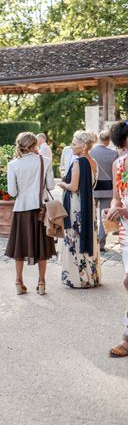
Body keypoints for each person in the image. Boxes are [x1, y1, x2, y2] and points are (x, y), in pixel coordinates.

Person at [5, 132, 56, 295]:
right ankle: (41, 282)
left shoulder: (13, 164)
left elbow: (12, 192)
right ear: (34, 146)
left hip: (21, 210)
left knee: (20, 246)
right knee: (42, 247)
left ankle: (18, 282)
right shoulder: (45, 161)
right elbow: (51, 185)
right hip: (40, 209)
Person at [58, 131, 100, 288]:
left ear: (83, 146)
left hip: (77, 206)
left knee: (75, 238)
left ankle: (77, 278)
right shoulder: (93, 162)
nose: (71, 146)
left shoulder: (78, 162)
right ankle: (90, 276)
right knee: (88, 235)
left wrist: (63, 184)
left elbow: (74, 187)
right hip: (89, 205)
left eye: (74, 143)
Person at [105, 121, 128, 357]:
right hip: (126, 231)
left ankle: (127, 337)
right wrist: (113, 210)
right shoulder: (118, 164)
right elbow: (116, 197)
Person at [90, 130, 118, 251]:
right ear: (108, 141)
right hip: (107, 189)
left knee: (91, 216)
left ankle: (91, 242)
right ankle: (101, 243)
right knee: (105, 217)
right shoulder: (113, 153)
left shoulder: (91, 152)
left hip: (93, 188)